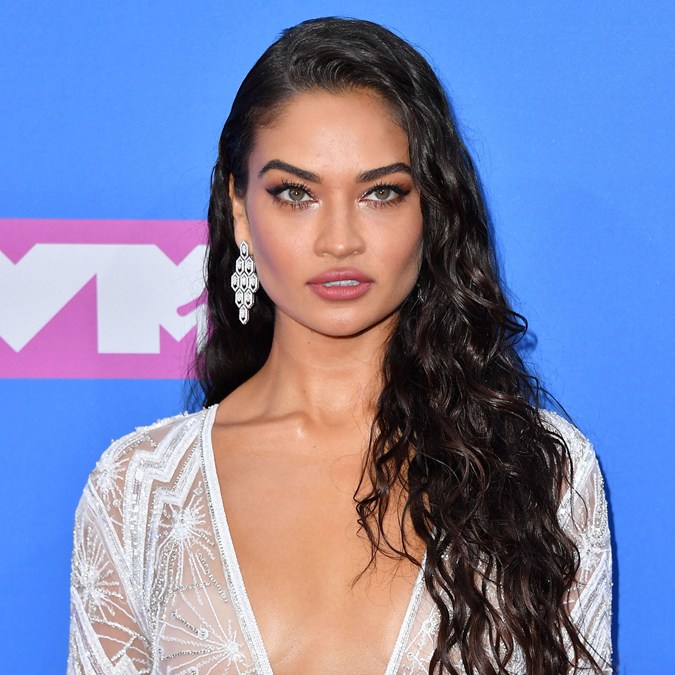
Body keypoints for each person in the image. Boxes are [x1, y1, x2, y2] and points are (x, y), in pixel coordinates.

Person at [67, 17, 612, 675]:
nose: (339, 240)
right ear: (240, 208)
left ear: (430, 208)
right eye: (295, 194)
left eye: (380, 193)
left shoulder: (541, 471)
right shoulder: (138, 490)